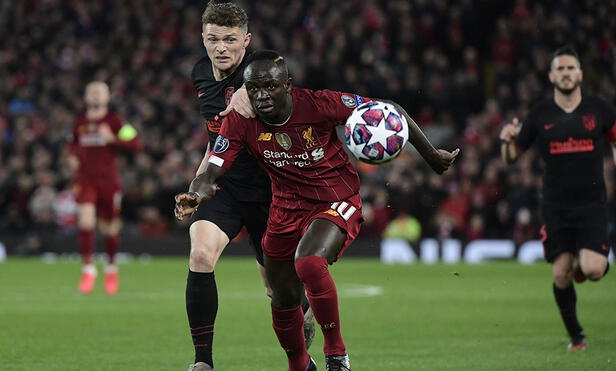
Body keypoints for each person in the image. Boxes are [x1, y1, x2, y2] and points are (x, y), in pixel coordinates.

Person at [175, 50, 459, 371]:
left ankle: (336, 355)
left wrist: (431, 154)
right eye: (253, 89)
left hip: (335, 200)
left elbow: (389, 110)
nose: (261, 95)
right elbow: (212, 170)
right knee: (283, 298)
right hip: (284, 210)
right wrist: (196, 195)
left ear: (288, 85)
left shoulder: (319, 103)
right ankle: (299, 364)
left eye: (269, 86)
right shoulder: (240, 120)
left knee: (309, 262)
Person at [181, 3, 313, 371]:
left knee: (278, 292)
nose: (220, 47)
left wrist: (253, 91)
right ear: (203, 39)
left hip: (272, 193)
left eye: (229, 39)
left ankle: (304, 357)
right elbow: (214, 139)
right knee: (201, 255)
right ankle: (202, 362)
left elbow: (290, 105)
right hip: (226, 188)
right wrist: (198, 184)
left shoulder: (263, 73)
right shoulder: (200, 74)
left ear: (246, 40)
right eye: (213, 39)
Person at [500, 46, 616, 350]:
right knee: (561, 273)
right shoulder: (539, 114)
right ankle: (576, 335)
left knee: (593, 271)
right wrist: (506, 141)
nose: (565, 73)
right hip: (555, 205)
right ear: (551, 76)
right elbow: (512, 157)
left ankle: (592, 262)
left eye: (570, 68)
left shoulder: (599, 109)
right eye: (560, 69)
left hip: (591, 203)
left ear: (580, 74)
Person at [69, 81, 142, 295]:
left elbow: (136, 143)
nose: (95, 95)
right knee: (85, 221)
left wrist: (113, 139)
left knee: (110, 228)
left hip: (109, 180)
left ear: (107, 97)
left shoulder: (115, 122)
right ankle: (88, 268)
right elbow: (73, 143)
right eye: (91, 92)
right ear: (85, 97)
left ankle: (111, 268)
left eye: (100, 92)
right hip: (85, 179)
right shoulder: (80, 122)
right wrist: (72, 156)